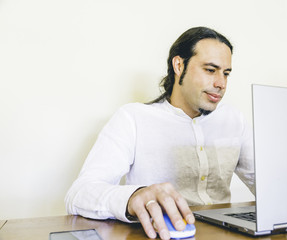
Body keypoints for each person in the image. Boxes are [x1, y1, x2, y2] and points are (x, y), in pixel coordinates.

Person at [65, 26, 255, 240]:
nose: (221, 83)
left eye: (226, 73)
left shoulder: (234, 120)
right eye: (210, 70)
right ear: (179, 65)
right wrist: (133, 198)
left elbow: (266, 183)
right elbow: (79, 194)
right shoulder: (133, 118)